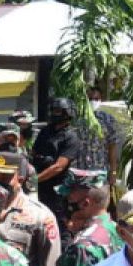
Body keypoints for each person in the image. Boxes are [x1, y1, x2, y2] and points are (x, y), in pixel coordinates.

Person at [31, 97, 78, 229]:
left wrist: (35, 179)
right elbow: (34, 153)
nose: (54, 114)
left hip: (57, 189)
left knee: (57, 224)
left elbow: (59, 166)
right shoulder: (45, 131)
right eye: (53, 110)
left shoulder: (71, 137)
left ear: (67, 113)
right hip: (40, 187)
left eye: (58, 111)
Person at [70, 88, 121, 182]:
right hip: (78, 173)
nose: (93, 101)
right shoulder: (75, 120)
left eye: (96, 99)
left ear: (101, 100)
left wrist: (113, 173)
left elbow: (112, 148)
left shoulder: (108, 120)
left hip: (100, 174)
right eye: (90, 99)